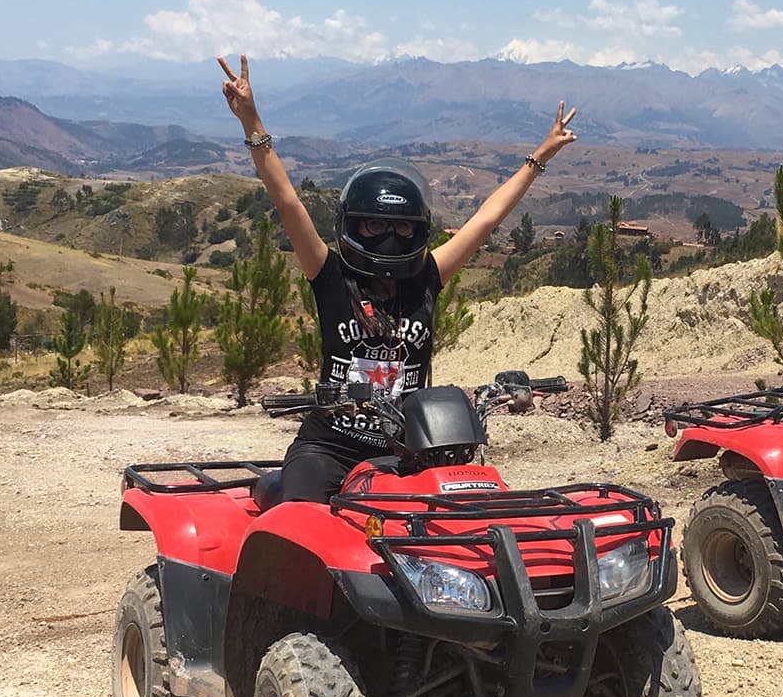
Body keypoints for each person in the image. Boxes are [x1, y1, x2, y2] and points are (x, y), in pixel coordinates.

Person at [212, 54, 579, 506]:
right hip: (330, 448)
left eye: (403, 226)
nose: (390, 236)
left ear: (418, 229)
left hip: (408, 450)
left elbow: (486, 219)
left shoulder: (427, 277)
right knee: (301, 520)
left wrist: (541, 156)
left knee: (462, 514)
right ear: (353, 225)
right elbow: (288, 201)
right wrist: (251, 120)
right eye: (374, 225)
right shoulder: (330, 274)